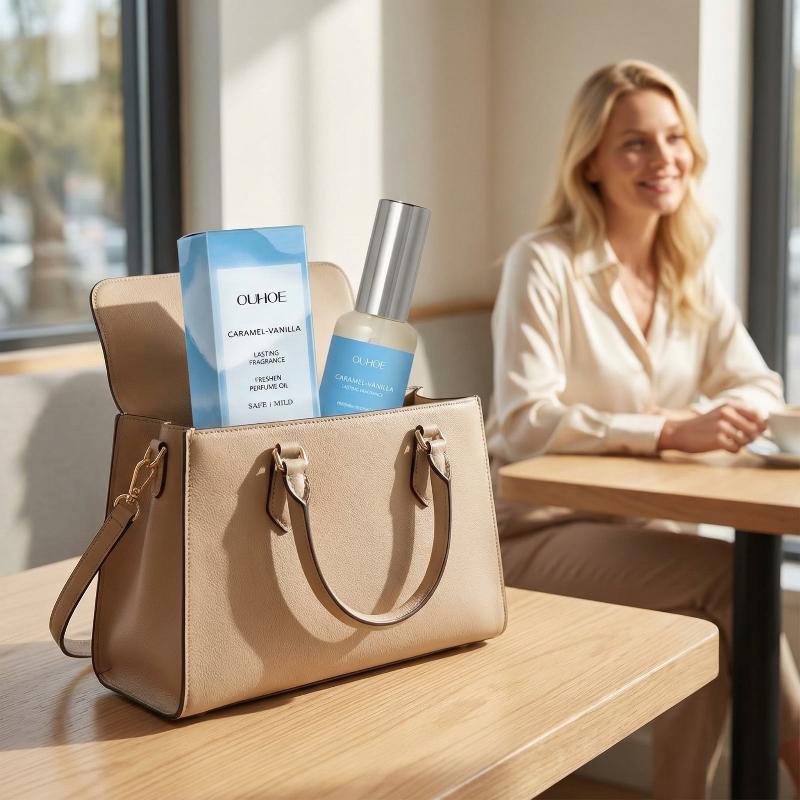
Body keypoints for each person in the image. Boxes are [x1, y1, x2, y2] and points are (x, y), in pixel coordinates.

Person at [484, 60, 800, 799]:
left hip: (642, 527)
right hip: (528, 536)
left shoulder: (688, 267)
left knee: (711, 612)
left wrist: (681, 421)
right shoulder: (544, 263)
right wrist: (667, 432)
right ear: (590, 161)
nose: (663, 159)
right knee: (728, 582)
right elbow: (523, 422)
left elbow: (760, 386)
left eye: (674, 138)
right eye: (635, 143)